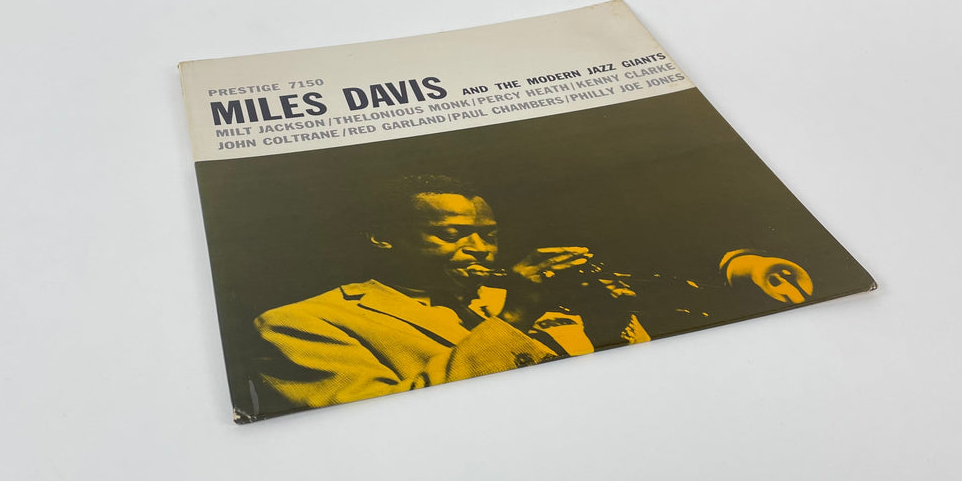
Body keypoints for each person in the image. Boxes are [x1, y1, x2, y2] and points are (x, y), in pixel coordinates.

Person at [250, 175, 811, 413]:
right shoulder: (299, 323)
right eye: (452, 234)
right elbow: (378, 431)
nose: (480, 249)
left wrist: (609, 328)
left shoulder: (514, 301)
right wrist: (518, 315)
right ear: (383, 238)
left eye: (489, 235)